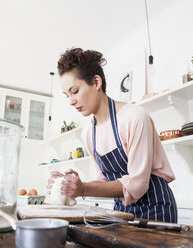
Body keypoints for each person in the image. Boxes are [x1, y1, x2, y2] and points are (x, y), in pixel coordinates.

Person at [47, 48, 178, 223]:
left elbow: (138, 184)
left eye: (75, 91)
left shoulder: (134, 116)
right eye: (67, 95)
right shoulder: (88, 132)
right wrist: (72, 185)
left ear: (96, 82)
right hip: (121, 211)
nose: (71, 101)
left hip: (156, 208)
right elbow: (103, 180)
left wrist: (84, 189)